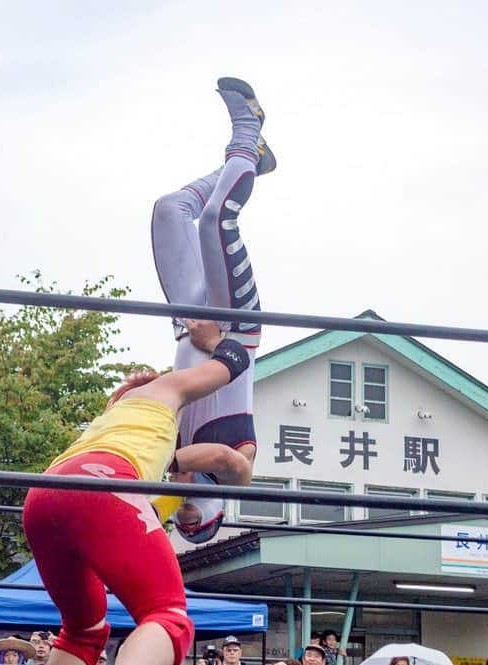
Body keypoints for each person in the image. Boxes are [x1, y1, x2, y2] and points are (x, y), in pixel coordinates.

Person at [22, 319, 251, 665]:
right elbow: (233, 363)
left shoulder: (119, 426)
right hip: (103, 481)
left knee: (83, 630)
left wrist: (182, 494)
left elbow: (139, 517)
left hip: (43, 496)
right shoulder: (164, 390)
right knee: (167, 615)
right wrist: (215, 340)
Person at [150, 77, 275, 543]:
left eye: (177, 516)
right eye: (190, 516)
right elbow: (224, 460)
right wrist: (174, 465)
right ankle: (248, 131)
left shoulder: (171, 446)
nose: (182, 509)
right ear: (214, 510)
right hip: (235, 330)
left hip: (187, 328)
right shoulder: (233, 473)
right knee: (215, 220)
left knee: (170, 209)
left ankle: (254, 162)